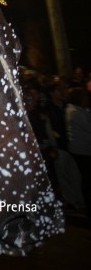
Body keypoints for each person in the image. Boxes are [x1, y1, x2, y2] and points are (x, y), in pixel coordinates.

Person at [65, 86, 91, 217]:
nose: (87, 99)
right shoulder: (74, 112)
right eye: (85, 96)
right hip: (81, 151)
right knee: (87, 178)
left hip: (85, 149)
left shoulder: (80, 110)